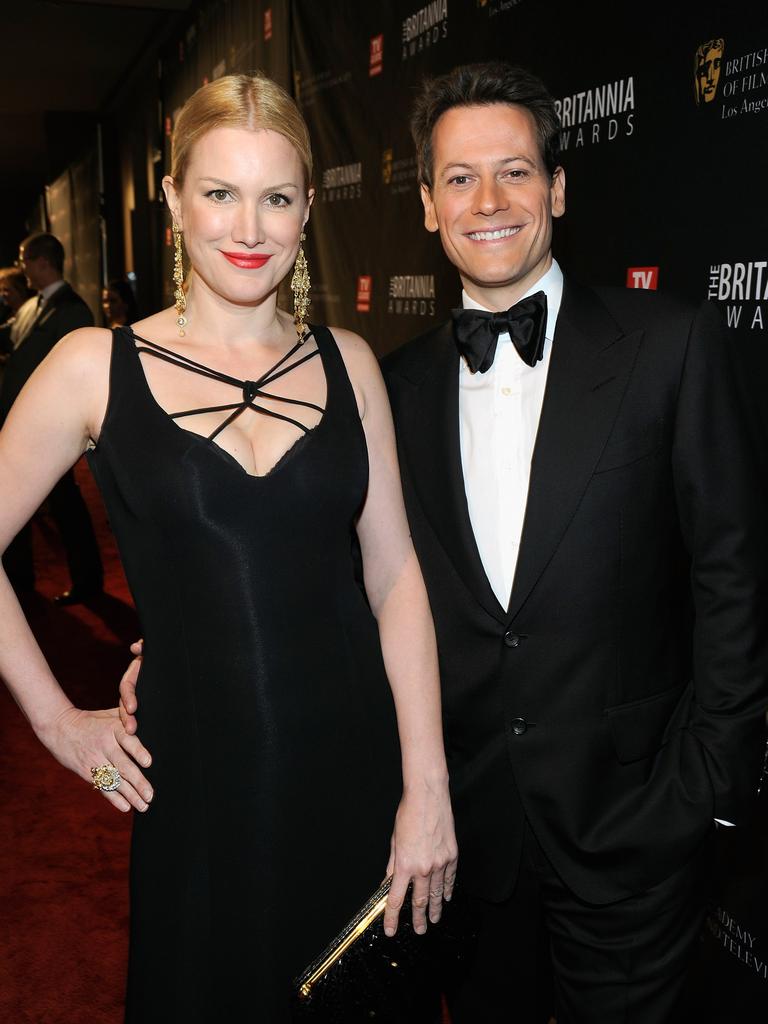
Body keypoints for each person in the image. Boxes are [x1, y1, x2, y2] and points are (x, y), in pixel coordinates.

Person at [119, 61, 768, 1022]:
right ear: (425, 204)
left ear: (558, 186)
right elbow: (346, 575)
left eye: (514, 171)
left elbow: (736, 576)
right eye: (458, 178)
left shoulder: (667, 345)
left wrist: (706, 789)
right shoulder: (389, 384)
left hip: (634, 826)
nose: (488, 200)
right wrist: (179, 644)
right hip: (461, 837)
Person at [0, 73, 457, 1023]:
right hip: (204, 796)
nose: (249, 226)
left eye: (277, 197)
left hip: (359, 776)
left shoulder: (349, 362)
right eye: (220, 193)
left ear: (304, 210)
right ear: (173, 201)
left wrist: (427, 788)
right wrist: (57, 721)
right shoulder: (96, 366)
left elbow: (397, 575)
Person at [0, 233, 104, 602]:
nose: (22, 267)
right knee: (44, 507)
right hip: (22, 426)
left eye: (25, 259)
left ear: (42, 262)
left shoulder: (72, 309)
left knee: (66, 506)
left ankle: (88, 583)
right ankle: (25, 583)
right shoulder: (34, 306)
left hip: (52, 430)